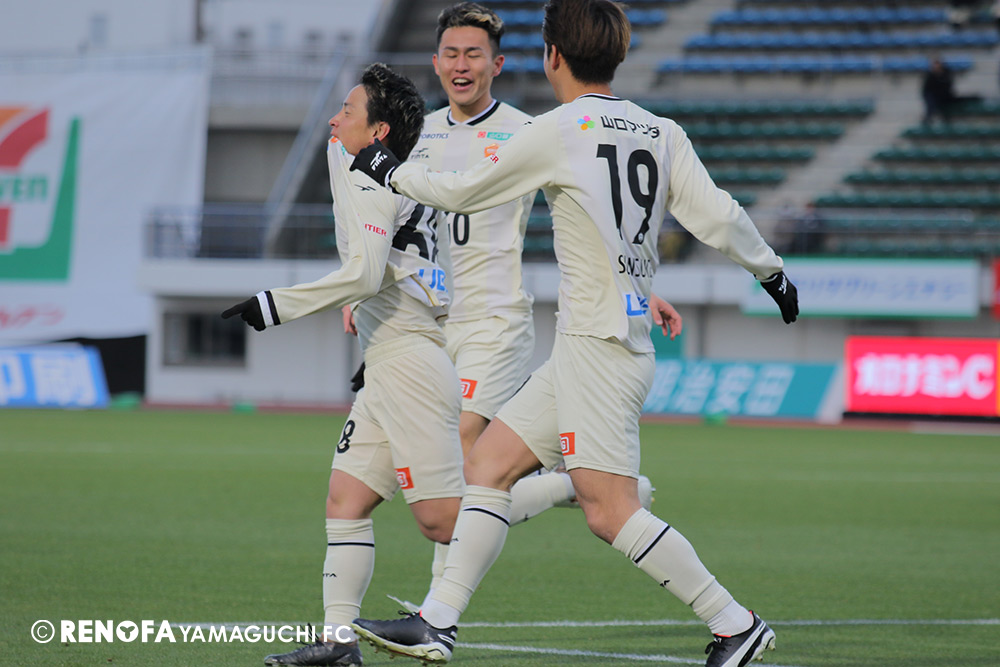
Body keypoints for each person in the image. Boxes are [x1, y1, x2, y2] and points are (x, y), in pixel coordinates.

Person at [349, 1, 798, 666]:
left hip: (598, 351)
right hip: (598, 344)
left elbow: (464, 191)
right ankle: (437, 621)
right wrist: (772, 273)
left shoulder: (559, 128)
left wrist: (388, 169)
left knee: (609, 511)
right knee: (488, 466)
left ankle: (736, 624)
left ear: (552, 55)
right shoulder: (660, 130)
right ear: (617, 54)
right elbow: (721, 215)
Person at [222, 63, 463, 667]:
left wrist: (274, 305)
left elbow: (365, 273)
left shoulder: (371, 177)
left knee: (442, 522)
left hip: (409, 365)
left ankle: (558, 487)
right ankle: (338, 644)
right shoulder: (395, 167)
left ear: (378, 132)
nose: (333, 121)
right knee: (346, 500)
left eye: (347, 112)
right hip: (389, 359)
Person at [922, 57, 955, 126]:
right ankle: (928, 120)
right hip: (932, 94)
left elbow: (949, 85)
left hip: (943, 94)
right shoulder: (930, 75)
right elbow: (927, 89)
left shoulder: (946, 73)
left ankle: (946, 120)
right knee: (931, 106)